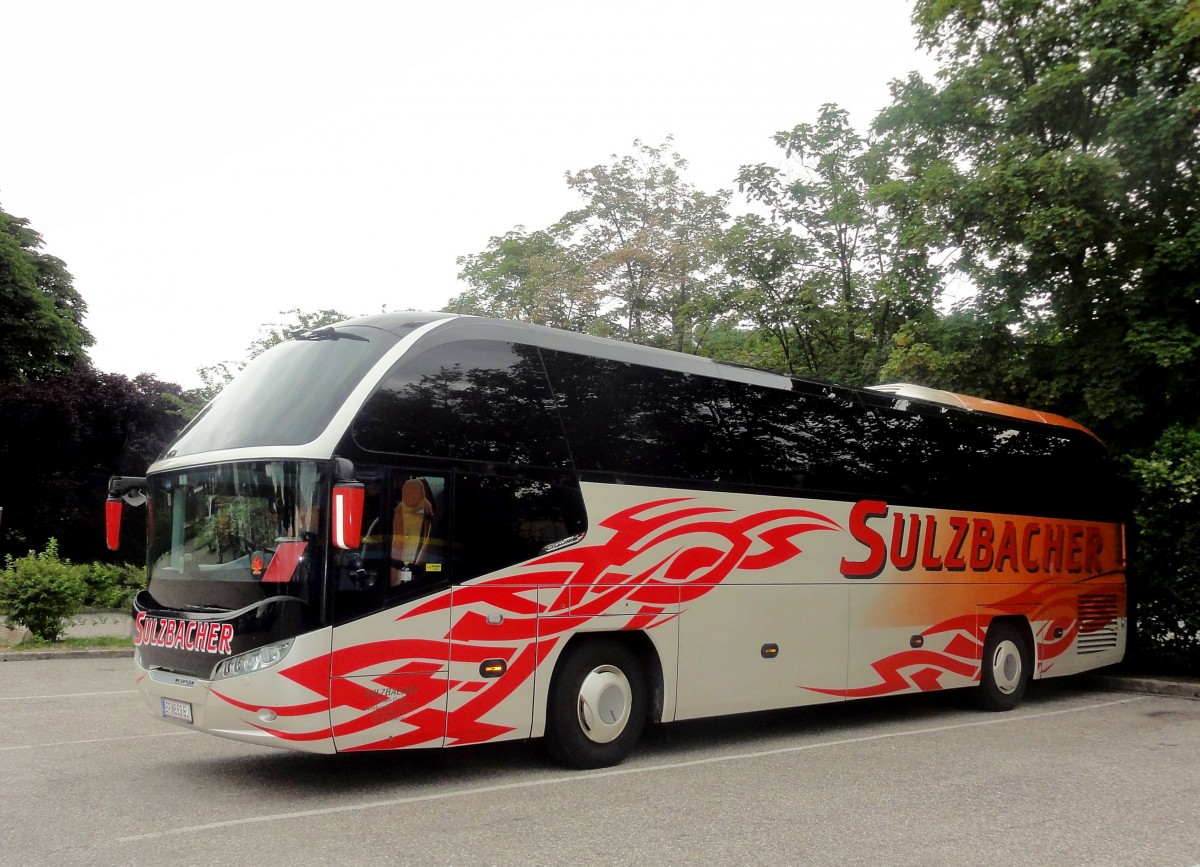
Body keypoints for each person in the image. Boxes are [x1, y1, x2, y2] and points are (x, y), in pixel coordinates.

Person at [390, 478, 433, 586]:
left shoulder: (428, 513)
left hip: (415, 567)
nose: (412, 496)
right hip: (401, 564)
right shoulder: (398, 511)